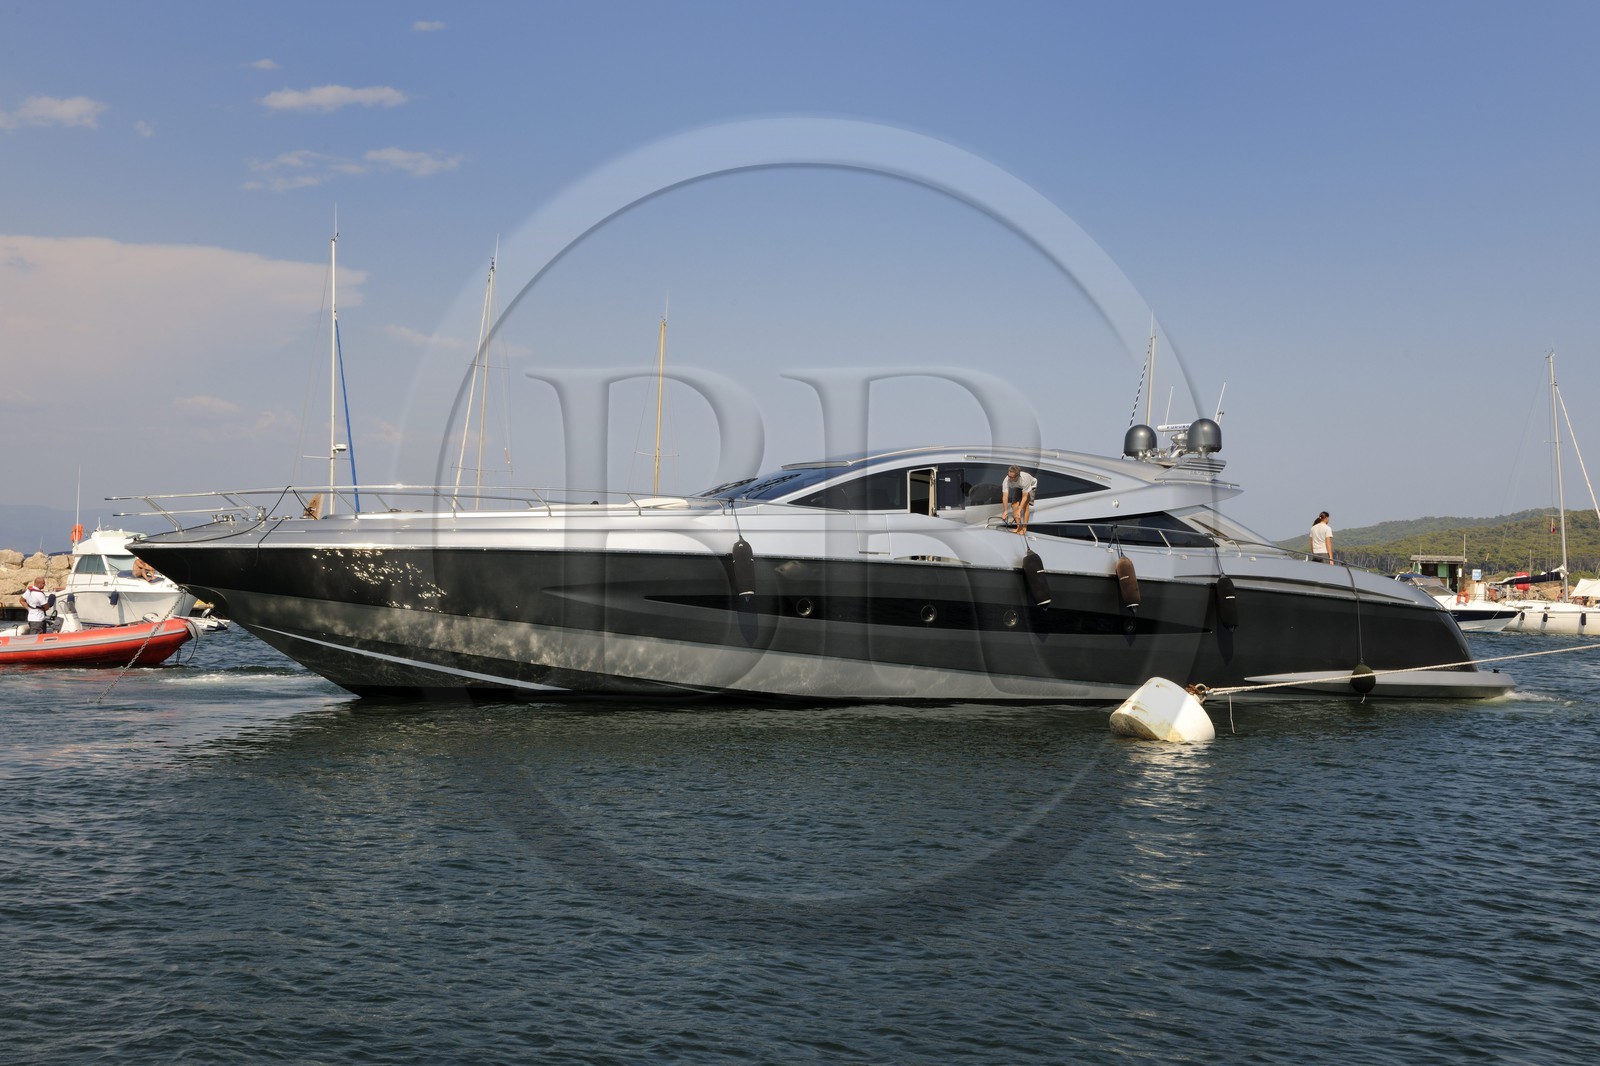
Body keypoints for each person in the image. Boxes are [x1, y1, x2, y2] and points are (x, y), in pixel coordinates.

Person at [1002, 466, 1038, 533]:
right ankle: (1019, 527)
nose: (1009, 478)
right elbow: (1005, 497)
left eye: (1011, 477)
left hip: (1030, 485)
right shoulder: (1006, 480)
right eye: (1008, 475)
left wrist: (1019, 510)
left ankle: (1024, 529)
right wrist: (1005, 511)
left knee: (1025, 506)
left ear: (1017, 476)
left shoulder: (1024, 480)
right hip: (1018, 486)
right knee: (1014, 505)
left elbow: (1024, 497)